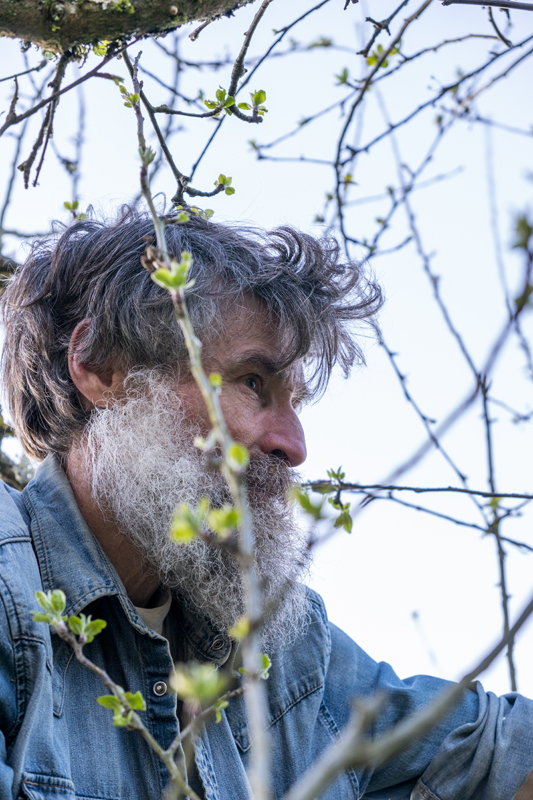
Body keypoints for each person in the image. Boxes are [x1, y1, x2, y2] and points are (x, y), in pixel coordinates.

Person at [0, 207, 531, 800]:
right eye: (254, 381)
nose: (294, 446)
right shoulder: (8, 591)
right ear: (102, 367)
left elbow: (496, 752)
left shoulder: (288, 650)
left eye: (295, 400)